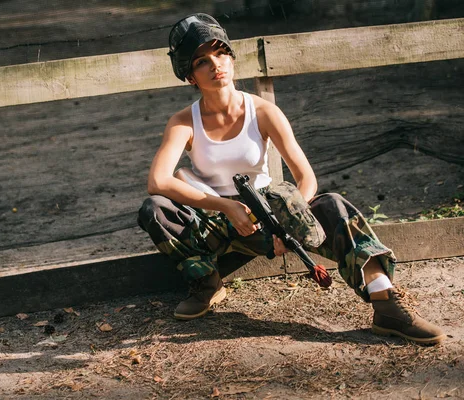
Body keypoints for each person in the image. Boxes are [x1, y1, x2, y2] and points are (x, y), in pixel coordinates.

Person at [137, 13, 445, 345]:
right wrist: (224, 206)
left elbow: (305, 177)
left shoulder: (263, 112)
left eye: (221, 53)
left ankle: (386, 304)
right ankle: (207, 283)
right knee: (155, 209)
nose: (216, 65)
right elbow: (158, 181)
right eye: (202, 61)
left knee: (332, 205)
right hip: (217, 220)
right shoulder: (184, 122)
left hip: (268, 216)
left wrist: (289, 224)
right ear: (189, 76)